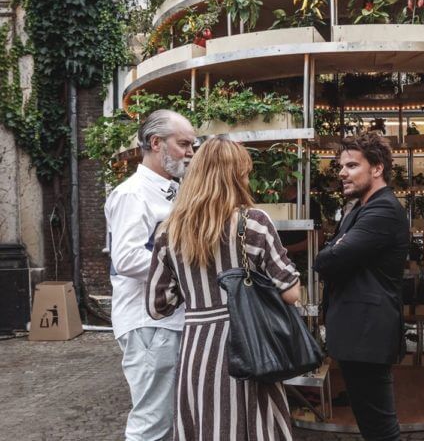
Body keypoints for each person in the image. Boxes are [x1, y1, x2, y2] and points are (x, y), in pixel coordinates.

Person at [146, 137, 301, 441]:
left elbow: (158, 304)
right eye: (245, 172)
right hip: (250, 346)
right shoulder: (253, 222)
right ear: (236, 176)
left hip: (198, 350)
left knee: (207, 425)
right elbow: (291, 292)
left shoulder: (170, 231)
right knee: (252, 426)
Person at [105, 109, 195, 441]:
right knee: (153, 422)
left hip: (163, 321)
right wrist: (188, 267)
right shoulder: (132, 193)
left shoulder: (170, 189)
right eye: (183, 143)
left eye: (191, 144)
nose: (189, 152)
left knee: (167, 418)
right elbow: (127, 258)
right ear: (156, 143)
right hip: (149, 323)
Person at [314, 133, 409, 441]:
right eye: (341, 166)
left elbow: (326, 260)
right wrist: (335, 248)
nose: (342, 173)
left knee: (381, 429)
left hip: (369, 334)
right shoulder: (358, 208)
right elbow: (334, 252)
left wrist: (334, 249)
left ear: (377, 168)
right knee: (371, 425)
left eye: (352, 165)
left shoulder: (383, 210)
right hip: (357, 334)